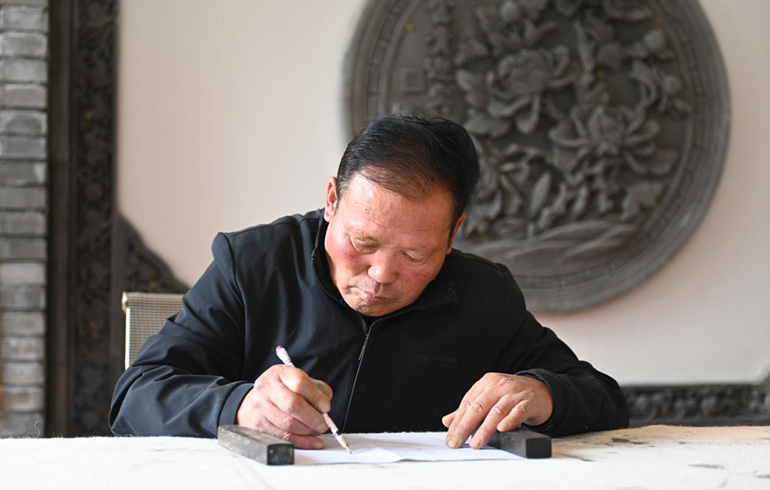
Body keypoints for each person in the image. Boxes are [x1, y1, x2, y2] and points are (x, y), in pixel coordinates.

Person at [109, 115, 628, 449]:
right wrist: (239, 406)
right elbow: (135, 396)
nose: (381, 275)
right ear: (331, 201)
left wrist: (541, 392)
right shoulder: (253, 264)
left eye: (415, 254)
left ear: (453, 235)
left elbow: (604, 398)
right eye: (363, 243)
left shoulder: (484, 295)